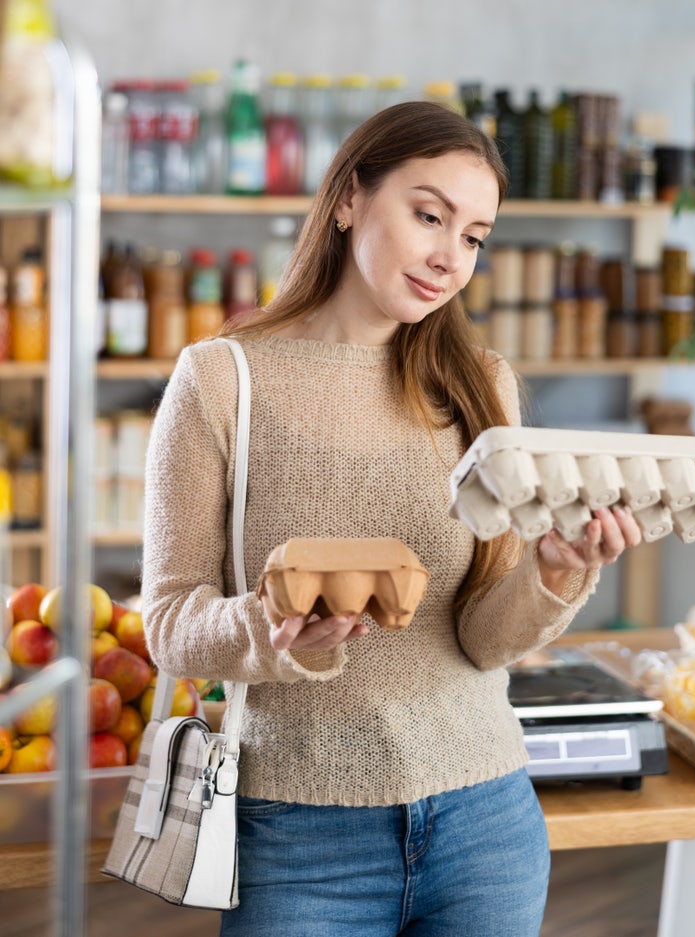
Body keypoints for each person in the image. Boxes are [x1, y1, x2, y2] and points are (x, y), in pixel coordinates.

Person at [141, 100, 642, 936]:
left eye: (475, 236)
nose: (450, 257)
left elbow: (481, 637)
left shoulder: (483, 385)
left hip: (485, 819)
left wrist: (555, 567)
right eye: (428, 215)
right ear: (348, 199)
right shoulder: (222, 379)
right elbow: (168, 622)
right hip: (298, 833)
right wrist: (272, 628)